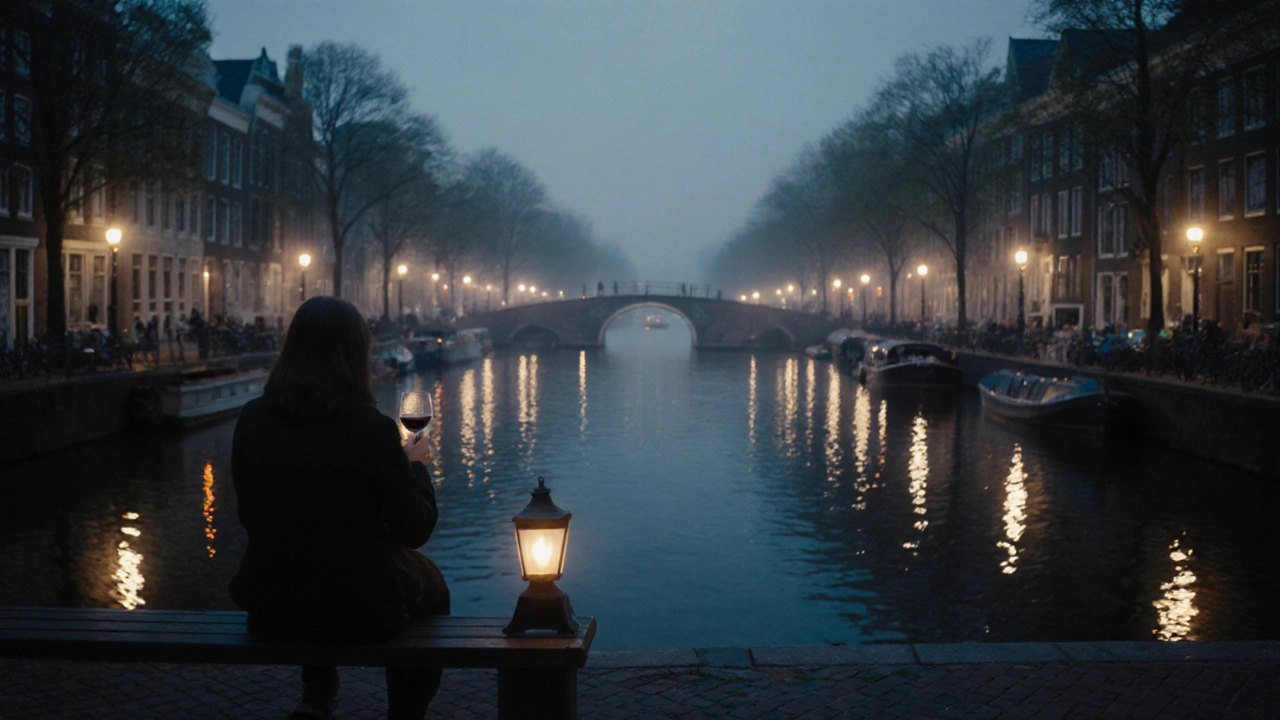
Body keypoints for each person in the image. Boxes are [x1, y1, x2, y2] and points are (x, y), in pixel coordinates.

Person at [229, 296, 448, 720]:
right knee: (432, 588)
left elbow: (249, 514)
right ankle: (405, 711)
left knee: (307, 554)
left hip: (269, 605)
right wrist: (416, 467)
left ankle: (317, 697)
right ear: (355, 356)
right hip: (360, 612)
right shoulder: (371, 431)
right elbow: (414, 529)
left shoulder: (252, 419)